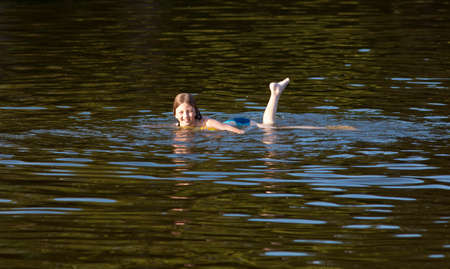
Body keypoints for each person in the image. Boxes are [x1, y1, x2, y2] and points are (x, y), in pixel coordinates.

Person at [172, 77, 355, 134]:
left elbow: (225, 127)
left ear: (195, 111)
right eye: (181, 112)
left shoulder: (206, 122)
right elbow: (162, 126)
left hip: (241, 123)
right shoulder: (178, 125)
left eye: (189, 111)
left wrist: (242, 133)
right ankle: (275, 92)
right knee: (270, 124)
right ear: (175, 114)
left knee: (272, 128)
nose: (185, 116)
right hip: (235, 124)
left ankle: (330, 128)